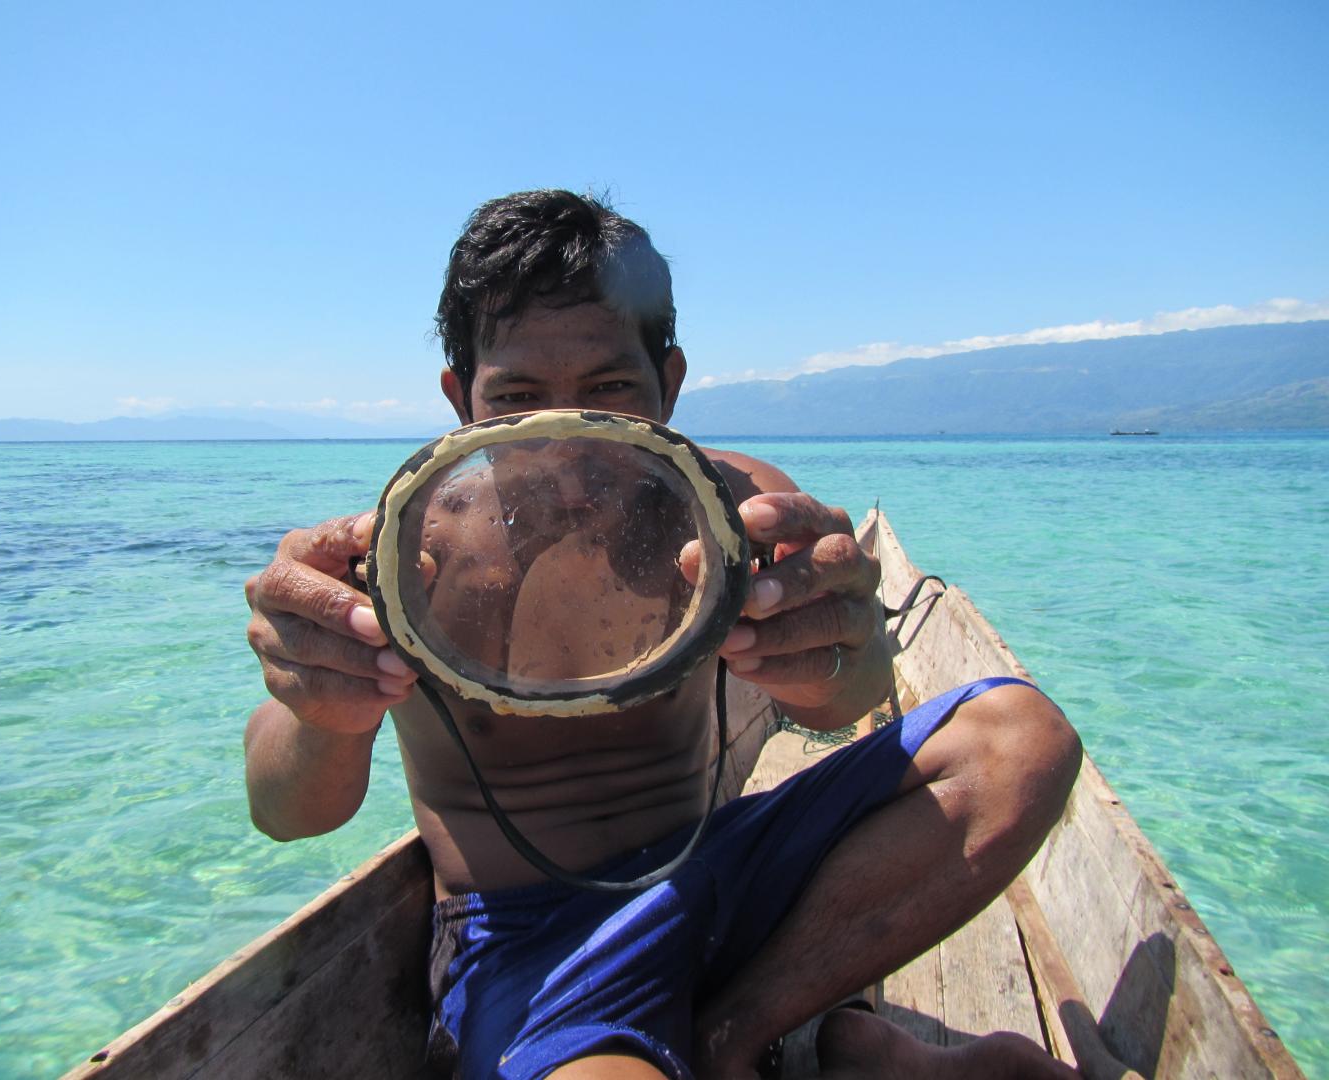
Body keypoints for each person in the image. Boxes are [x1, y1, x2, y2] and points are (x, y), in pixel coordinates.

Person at [243, 190, 1083, 1079]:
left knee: (1019, 742)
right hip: (532, 945)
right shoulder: (406, 552)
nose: (572, 446)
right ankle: (856, 1053)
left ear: (669, 384)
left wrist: (838, 645)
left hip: (719, 872)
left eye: (610, 391)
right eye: (519, 398)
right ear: (461, 399)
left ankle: (732, 1035)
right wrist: (320, 700)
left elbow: (852, 694)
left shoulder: (735, 512)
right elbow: (287, 811)